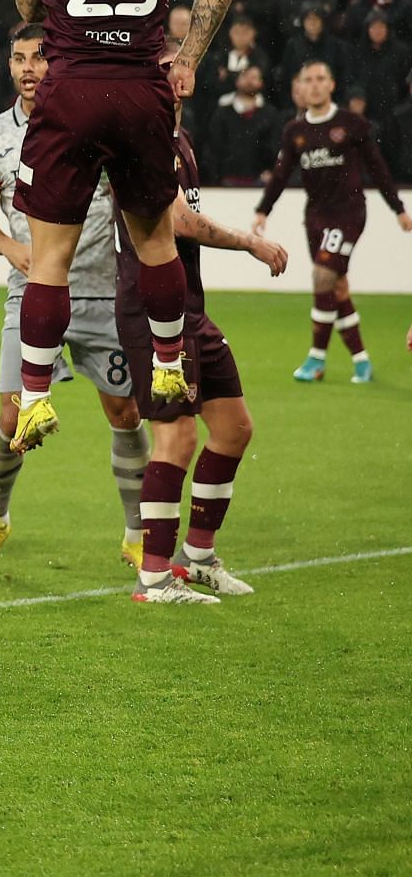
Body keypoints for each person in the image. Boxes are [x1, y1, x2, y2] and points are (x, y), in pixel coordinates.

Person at [7, 0, 235, 454]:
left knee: (50, 258)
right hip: (142, 90)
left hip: (73, 88)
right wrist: (185, 60)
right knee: (155, 240)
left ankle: (36, 401)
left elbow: (25, 2)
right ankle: (167, 366)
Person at [0, 25, 147, 579]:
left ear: (58, 62)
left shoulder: (97, 125)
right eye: (18, 59)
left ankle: (136, 534)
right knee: (14, 418)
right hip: (32, 292)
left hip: (101, 291)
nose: (28, 69)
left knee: (125, 412)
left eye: (39, 58)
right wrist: (14, 249)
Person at [117, 103, 287, 604]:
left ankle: (198, 557)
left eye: (180, 68)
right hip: (153, 312)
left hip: (191, 308)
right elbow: (177, 219)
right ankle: (153, 579)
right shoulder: (140, 140)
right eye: (165, 69)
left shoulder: (181, 137)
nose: (175, 79)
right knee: (177, 438)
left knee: (234, 429)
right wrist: (249, 242)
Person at [252, 61, 411, 385]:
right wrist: (262, 210)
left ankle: (316, 358)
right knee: (336, 286)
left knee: (323, 275)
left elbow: (377, 168)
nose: (314, 85)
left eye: (320, 78)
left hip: (349, 213)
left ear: (332, 85)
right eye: (308, 79)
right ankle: (361, 361)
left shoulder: (352, 124)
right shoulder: (294, 131)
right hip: (315, 218)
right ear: (299, 87)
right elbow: (281, 173)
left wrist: (398, 208)